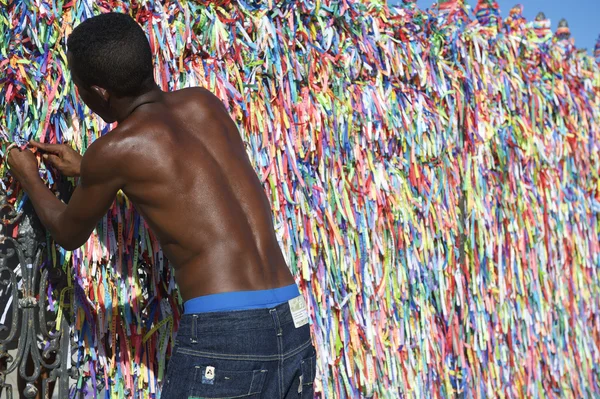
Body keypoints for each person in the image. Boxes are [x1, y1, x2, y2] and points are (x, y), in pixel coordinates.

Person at [8, 12, 316, 398]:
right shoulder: (204, 103)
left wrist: (29, 178)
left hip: (227, 332)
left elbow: (69, 232)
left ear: (99, 92)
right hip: (292, 317)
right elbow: (190, 177)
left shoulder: (117, 149)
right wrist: (87, 168)